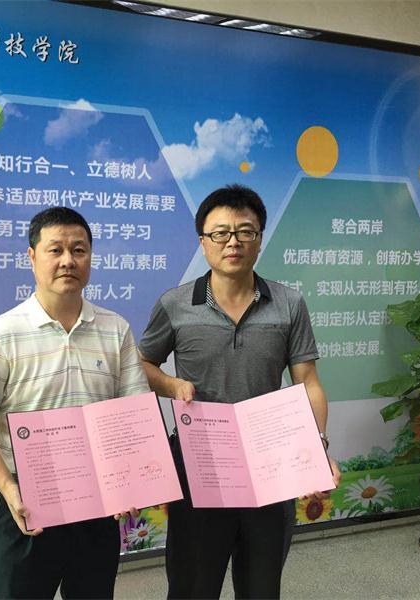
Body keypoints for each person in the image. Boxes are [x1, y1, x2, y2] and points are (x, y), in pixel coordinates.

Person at [139, 184, 341, 599]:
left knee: (261, 586)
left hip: (271, 462)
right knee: (193, 586)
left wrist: (317, 447)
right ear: (203, 242)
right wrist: (172, 385)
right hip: (199, 462)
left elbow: (308, 381)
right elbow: (141, 366)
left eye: (245, 232)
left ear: (259, 239)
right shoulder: (175, 304)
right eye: (220, 233)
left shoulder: (288, 303)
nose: (233, 242)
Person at [0, 207, 149, 599]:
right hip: (24, 506)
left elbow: (133, 417)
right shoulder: (0, 334)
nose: (68, 261)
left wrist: (130, 483)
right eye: (55, 250)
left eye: (79, 250)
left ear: (91, 257)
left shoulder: (115, 330)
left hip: (97, 504)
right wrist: (9, 488)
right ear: (32, 257)